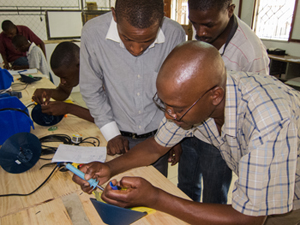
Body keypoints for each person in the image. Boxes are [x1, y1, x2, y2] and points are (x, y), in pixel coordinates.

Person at [73, 41, 300, 225]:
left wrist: (155, 198)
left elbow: (249, 218)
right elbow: (155, 146)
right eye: (165, 105)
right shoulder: (191, 98)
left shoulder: (269, 122)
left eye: (177, 109)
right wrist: (109, 167)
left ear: (215, 96)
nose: (170, 115)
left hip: (292, 196)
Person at [177, 0, 271, 204]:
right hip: (192, 129)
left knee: (214, 194)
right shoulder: (203, 25)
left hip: (221, 138)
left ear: (229, 11)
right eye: (194, 24)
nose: (200, 32)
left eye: (208, 25)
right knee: (185, 187)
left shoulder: (251, 51)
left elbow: (258, 105)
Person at [79, 0, 186, 176]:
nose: (136, 49)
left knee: (154, 194)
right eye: (127, 38)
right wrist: (111, 132)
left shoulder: (174, 34)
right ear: (114, 15)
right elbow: (91, 88)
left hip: (159, 137)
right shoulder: (93, 33)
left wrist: (173, 135)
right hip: (116, 139)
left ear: (161, 20)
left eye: (147, 41)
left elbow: (179, 92)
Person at [31, 42, 94, 123]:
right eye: (60, 77)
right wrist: (49, 92)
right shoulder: (75, 69)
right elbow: (63, 92)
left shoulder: (103, 76)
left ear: (79, 65)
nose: (62, 82)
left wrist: (69, 108)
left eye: (64, 77)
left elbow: (108, 118)